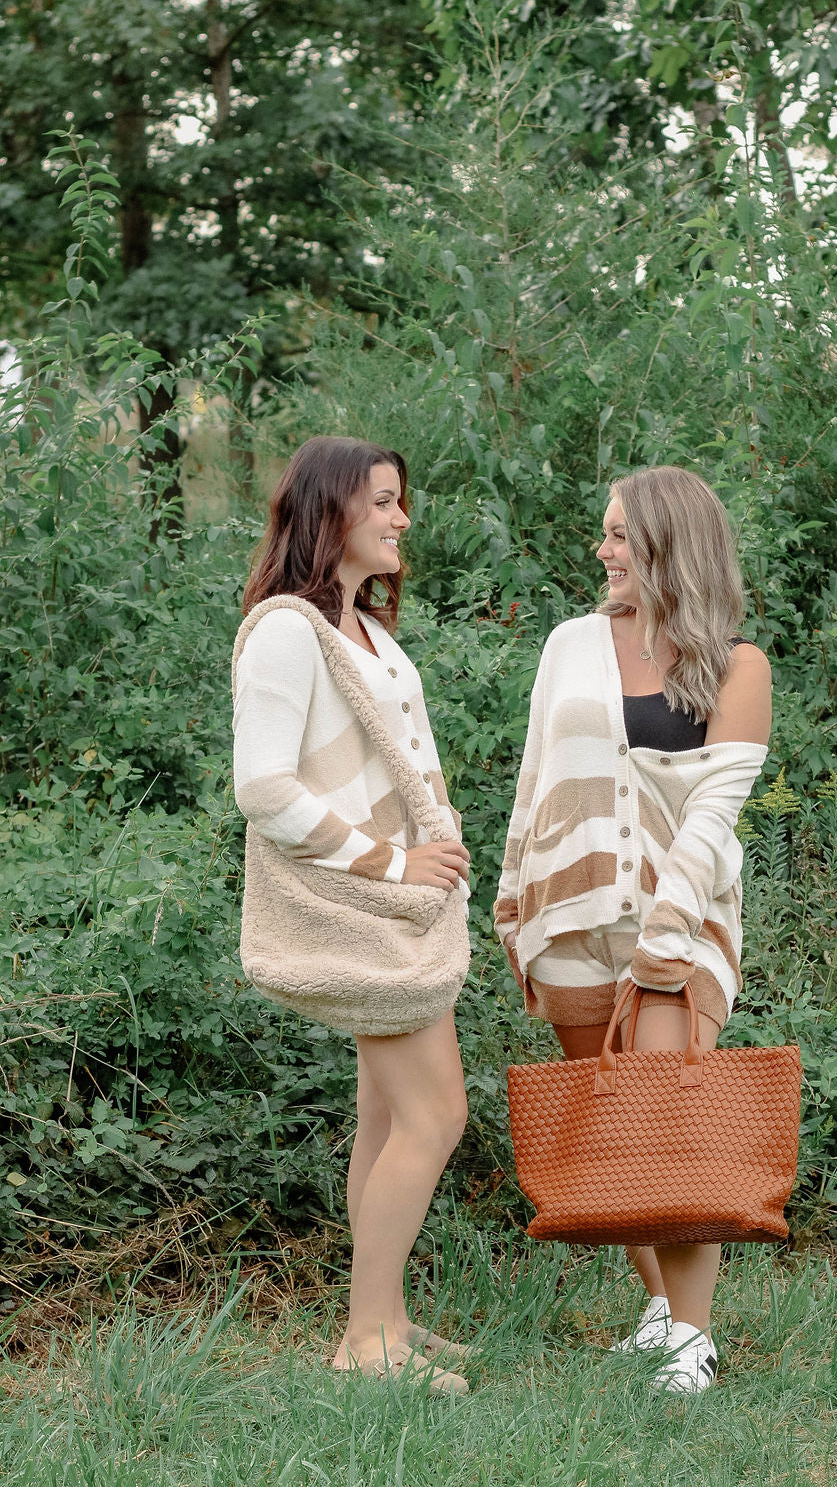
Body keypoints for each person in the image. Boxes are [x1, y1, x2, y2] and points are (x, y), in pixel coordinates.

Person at [495, 464, 772, 1394]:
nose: (602, 551)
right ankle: (657, 1313)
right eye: (604, 533)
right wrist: (510, 905)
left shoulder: (737, 665)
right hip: (568, 915)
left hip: (683, 920)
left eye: (619, 535)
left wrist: (665, 934)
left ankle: (693, 1341)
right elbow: (537, 778)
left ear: (667, 544)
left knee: (673, 1121)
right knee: (615, 1133)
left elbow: (714, 811)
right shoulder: (569, 644)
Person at [232, 436, 472, 1394]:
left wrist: (427, 861)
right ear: (330, 511)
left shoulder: (363, 628)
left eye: (400, 500)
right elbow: (263, 788)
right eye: (382, 501)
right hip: (372, 903)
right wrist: (394, 864)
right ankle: (366, 1342)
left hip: (404, 912)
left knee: (385, 1115)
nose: (400, 517)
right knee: (436, 1114)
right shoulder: (290, 630)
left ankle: (385, 1319)